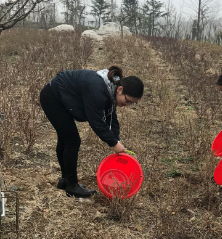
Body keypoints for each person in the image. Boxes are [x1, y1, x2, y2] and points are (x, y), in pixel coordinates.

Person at [40, 66, 144, 199]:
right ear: (120, 89)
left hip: (62, 96)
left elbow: (111, 117)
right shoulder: (98, 90)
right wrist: (113, 143)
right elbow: (97, 123)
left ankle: (65, 180)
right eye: (127, 100)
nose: (127, 104)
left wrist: (116, 139)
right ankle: (72, 185)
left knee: (65, 138)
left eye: (131, 103)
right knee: (72, 141)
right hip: (53, 97)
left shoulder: (111, 89)